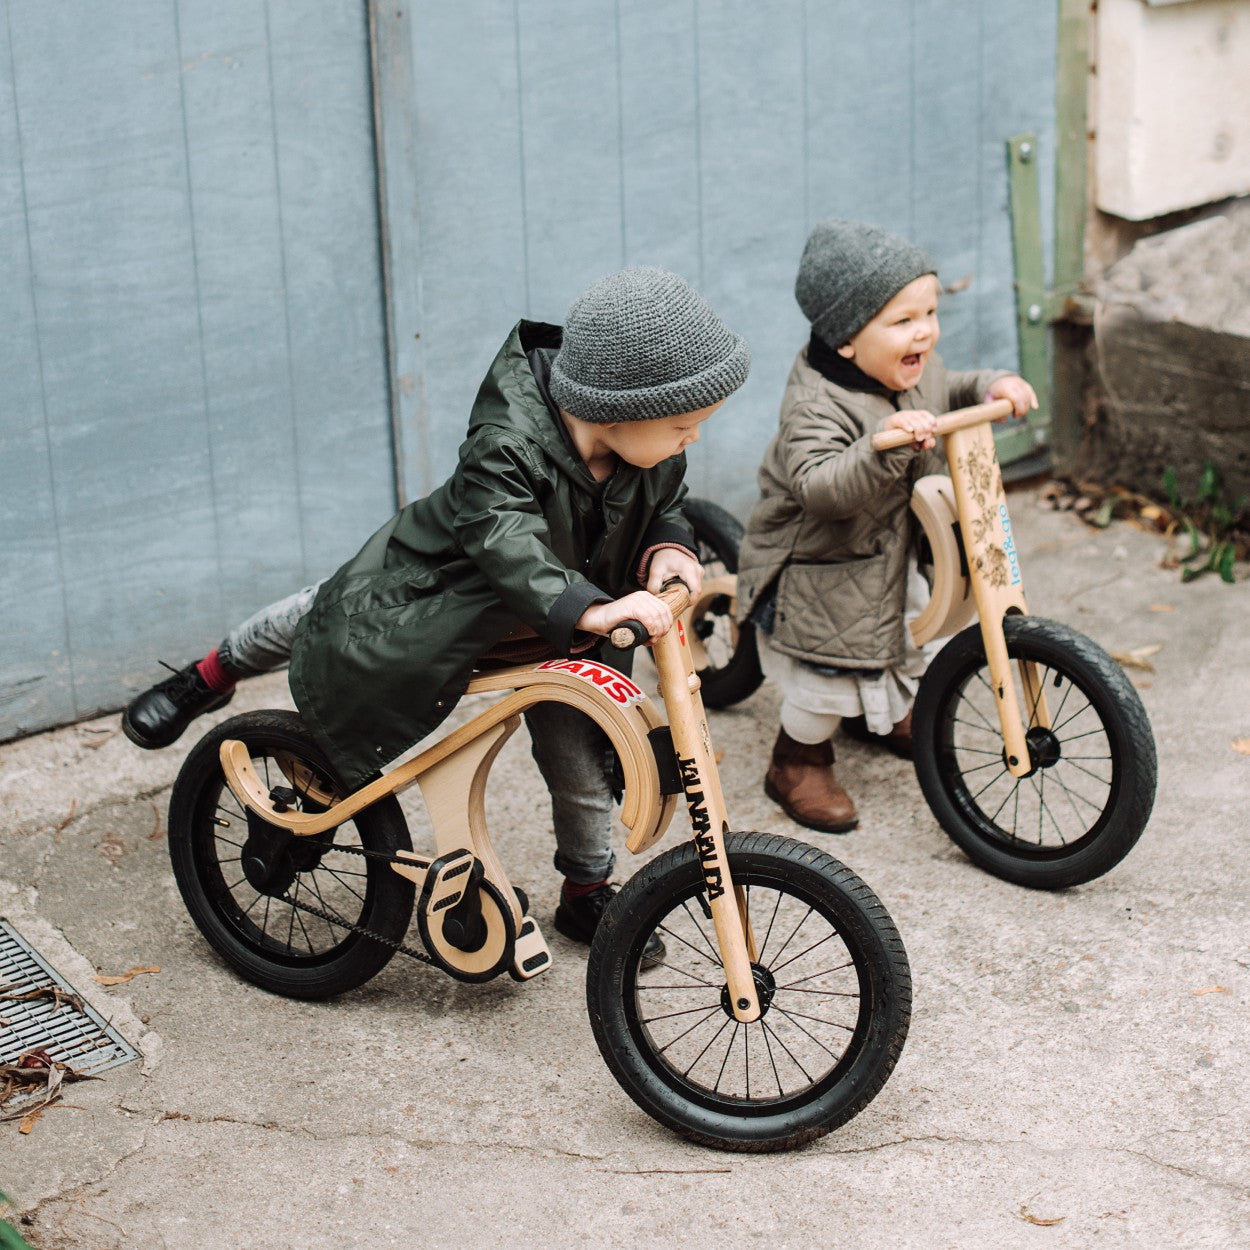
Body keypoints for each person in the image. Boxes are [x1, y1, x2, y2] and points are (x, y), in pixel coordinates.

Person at [124, 267, 750, 949]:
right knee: (323, 618)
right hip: (446, 595)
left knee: (580, 757)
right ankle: (208, 675)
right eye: (685, 425)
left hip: (559, 630)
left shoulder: (649, 450)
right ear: (613, 412)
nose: (692, 439)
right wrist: (590, 610)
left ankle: (586, 890)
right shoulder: (506, 446)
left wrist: (669, 548)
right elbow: (501, 538)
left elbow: (666, 506)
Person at [735, 219, 1036, 834]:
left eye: (929, 311)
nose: (924, 329)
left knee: (911, 636)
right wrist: (881, 448)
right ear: (847, 340)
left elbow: (946, 388)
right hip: (825, 566)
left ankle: (889, 712)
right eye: (902, 321)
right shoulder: (816, 405)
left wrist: (989, 385)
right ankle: (797, 759)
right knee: (825, 682)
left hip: (893, 553)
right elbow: (821, 488)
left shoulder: (912, 368)